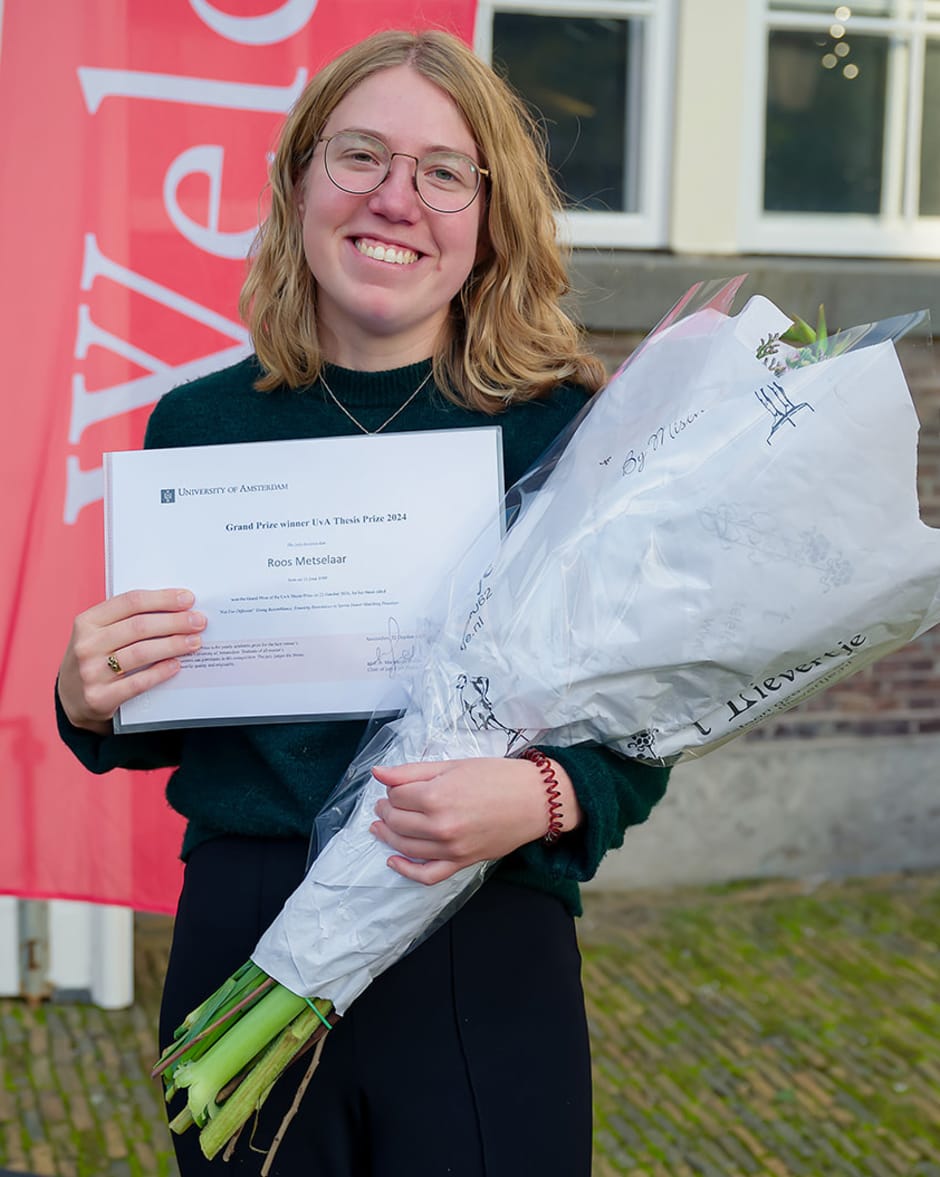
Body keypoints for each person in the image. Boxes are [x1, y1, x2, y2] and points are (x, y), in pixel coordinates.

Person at [56, 28, 669, 1176]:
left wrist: (540, 793)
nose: (396, 199)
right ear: (299, 182)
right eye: (359, 157)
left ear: (490, 215)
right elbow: (177, 710)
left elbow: (643, 728)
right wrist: (89, 696)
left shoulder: (566, 432)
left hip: (479, 931)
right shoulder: (197, 427)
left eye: (444, 172)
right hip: (247, 927)